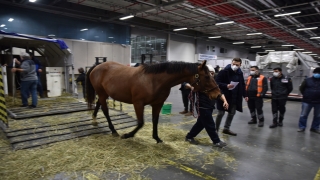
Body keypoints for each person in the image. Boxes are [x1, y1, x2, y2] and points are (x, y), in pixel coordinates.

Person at [185, 65, 229, 148]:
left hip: (210, 106)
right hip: (202, 106)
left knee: (201, 124)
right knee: (210, 124)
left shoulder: (213, 83)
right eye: (210, 73)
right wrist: (191, 86)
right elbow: (185, 83)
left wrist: (225, 101)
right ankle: (216, 141)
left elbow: (219, 93)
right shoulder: (199, 82)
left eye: (212, 73)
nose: (211, 75)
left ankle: (189, 137)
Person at [215, 58, 248, 136]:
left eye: (237, 65)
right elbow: (217, 83)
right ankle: (215, 130)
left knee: (232, 113)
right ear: (231, 63)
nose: (235, 66)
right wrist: (226, 86)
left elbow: (242, 85)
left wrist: (245, 95)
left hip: (234, 96)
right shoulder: (224, 71)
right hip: (224, 96)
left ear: (240, 65)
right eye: (233, 64)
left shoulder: (240, 73)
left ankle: (226, 128)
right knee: (220, 113)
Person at [297, 67, 320, 133]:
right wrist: (306, 95)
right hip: (307, 101)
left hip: (318, 102)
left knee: (318, 116)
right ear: (314, 73)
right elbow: (301, 88)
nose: (317, 74)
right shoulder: (307, 80)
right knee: (303, 115)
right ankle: (302, 127)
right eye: (316, 73)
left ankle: (315, 127)